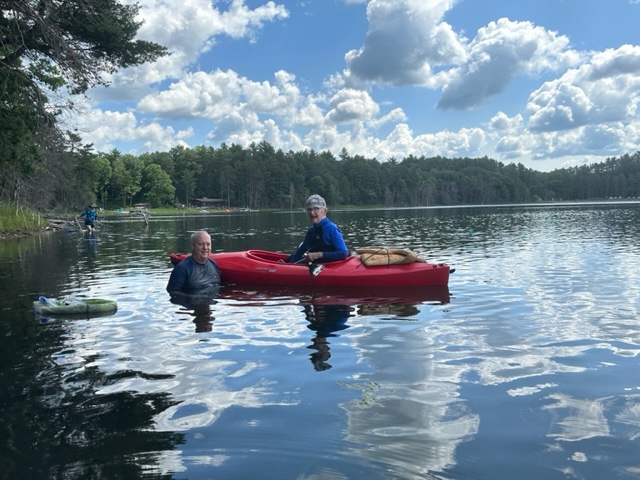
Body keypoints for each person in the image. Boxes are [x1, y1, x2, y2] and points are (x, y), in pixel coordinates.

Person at [285, 194, 348, 264]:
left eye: (316, 209)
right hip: (315, 265)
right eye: (309, 209)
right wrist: (288, 262)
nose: (312, 213)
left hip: (331, 267)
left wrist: (318, 255)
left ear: (324, 211)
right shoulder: (311, 230)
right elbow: (302, 249)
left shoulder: (331, 228)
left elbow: (343, 253)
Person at [166, 230, 222, 306]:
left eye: (208, 244)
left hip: (212, 302)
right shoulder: (182, 268)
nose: (205, 248)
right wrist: (192, 297)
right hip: (193, 305)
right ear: (193, 246)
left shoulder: (213, 264)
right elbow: (172, 292)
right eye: (201, 244)